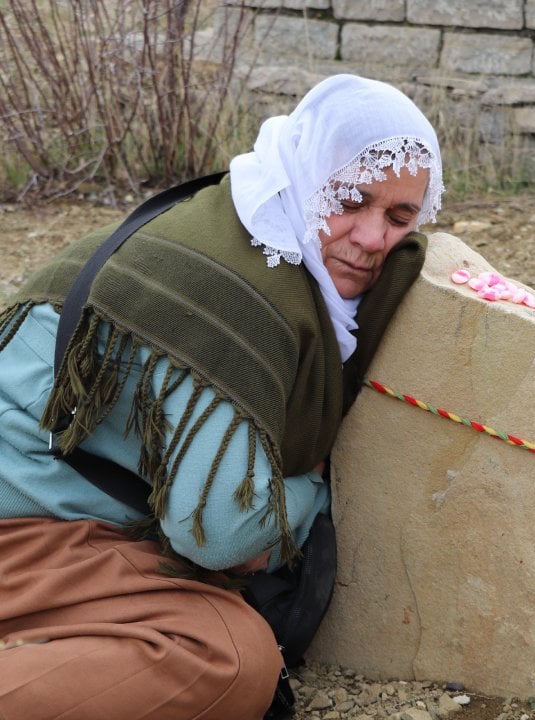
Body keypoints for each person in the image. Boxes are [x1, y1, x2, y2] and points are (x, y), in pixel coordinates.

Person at [0, 74, 444, 719]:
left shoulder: (231, 219)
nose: (374, 239)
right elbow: (221, 533)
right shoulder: (238, 294)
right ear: (306, 176)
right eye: (350, 200)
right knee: (226, 657)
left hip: (52, 519)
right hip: (28, 531)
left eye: (400, 217)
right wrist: (312, 485)